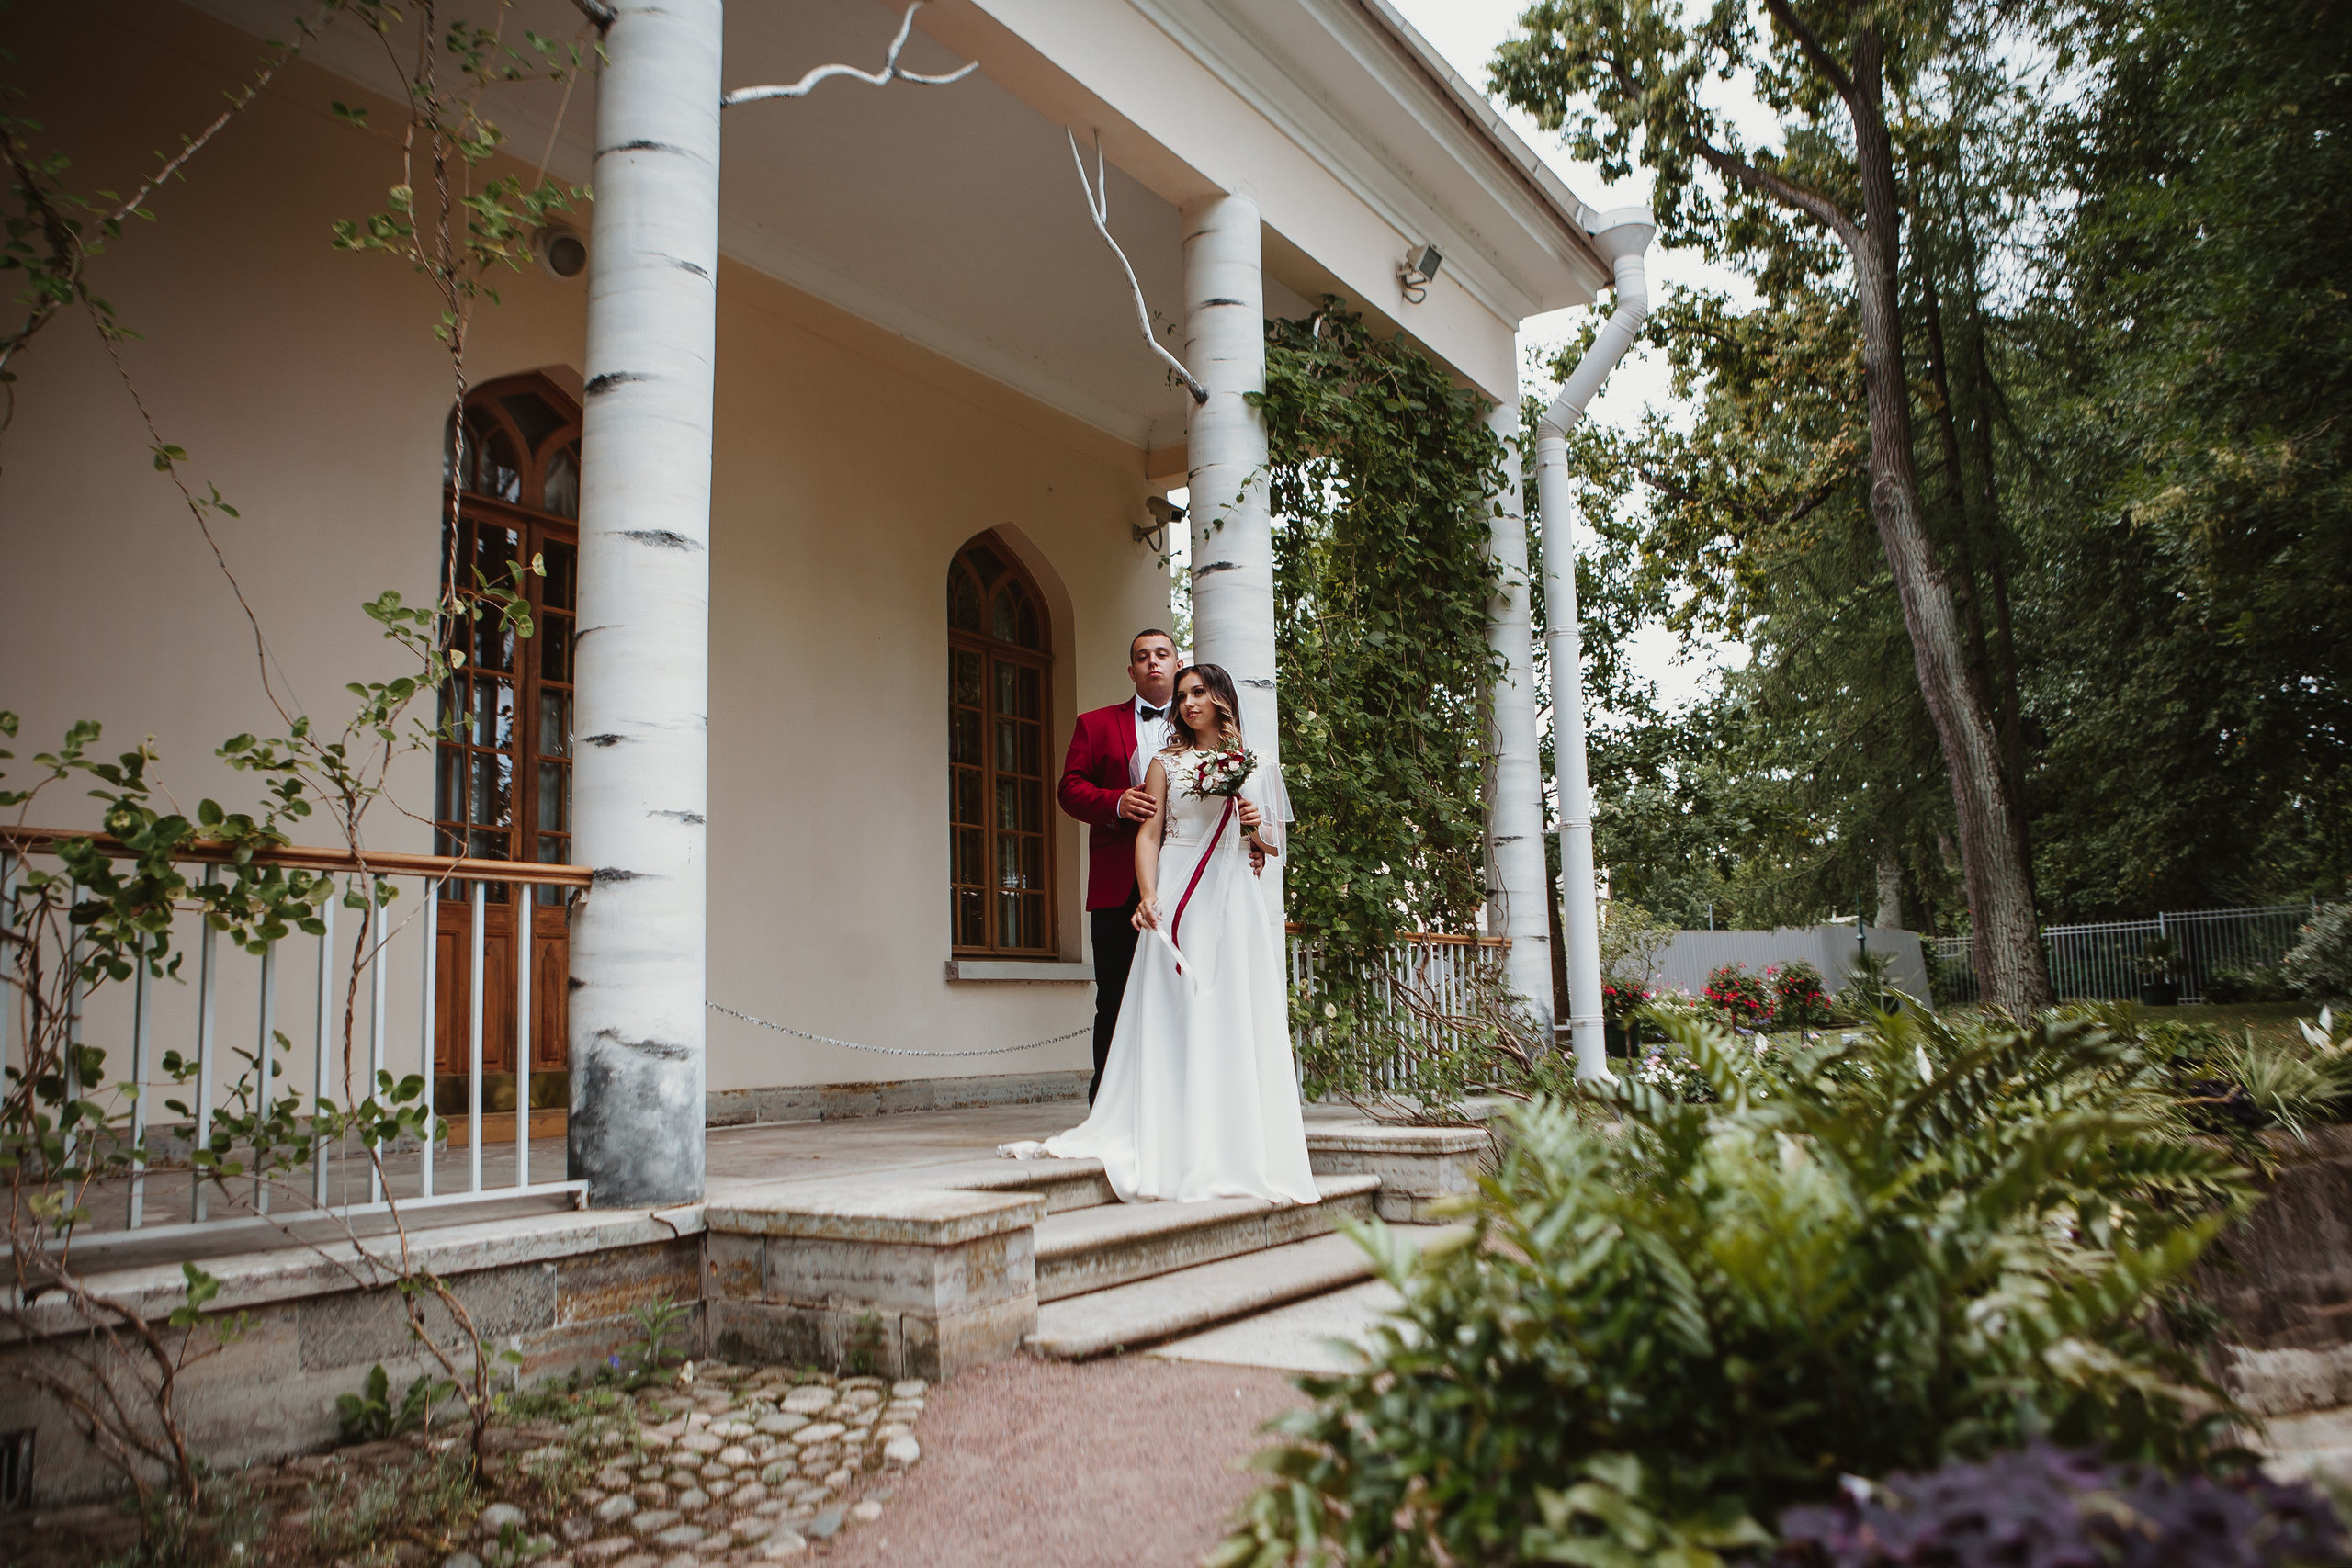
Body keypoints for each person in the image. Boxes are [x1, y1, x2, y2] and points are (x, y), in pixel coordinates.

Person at [1008, 663, 1319, 1206]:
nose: (1188, 702)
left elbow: (1271, 847)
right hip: (1177, 892)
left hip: (1230, 901)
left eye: (1198, 692)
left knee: (1228, 1007)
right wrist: (1149, 896)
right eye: (1182, 696)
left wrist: (1255, 825)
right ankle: (1167, 1129)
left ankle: (1232, 1139)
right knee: (1173, 1007)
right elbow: (1148, 835)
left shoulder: (1256, 765)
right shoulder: (1164, 763)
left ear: (1221, 698)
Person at [1056, 628, 1181, 1105]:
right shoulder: (1095, 724)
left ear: (1176, 663)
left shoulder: (1200, 723)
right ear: (1131, 671)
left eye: (1162, 654)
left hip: (1184, 879)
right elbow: (1069, 789)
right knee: (1114, 999)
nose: (1153, 662)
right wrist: (1114, 802)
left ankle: (1172, 1106)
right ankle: (1107, 1106)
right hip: (1116, 885)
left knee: (1178, 995)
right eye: (1143, 657)